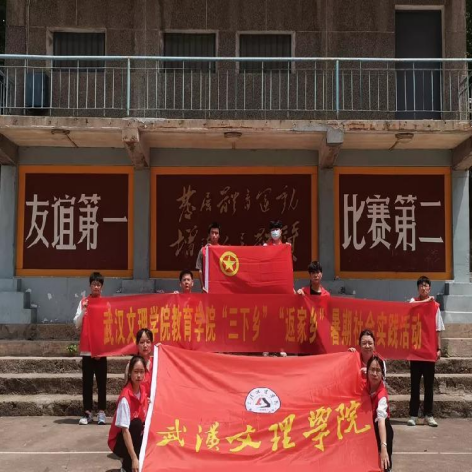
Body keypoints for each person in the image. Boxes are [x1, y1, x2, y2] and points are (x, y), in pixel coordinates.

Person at [407, 275, 445, 428]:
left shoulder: (435, 306)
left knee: (429, 386)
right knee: (414, 385)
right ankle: (413, 415)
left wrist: (438, 348)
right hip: (416, 351)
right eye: (421, 286)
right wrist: (427, 301)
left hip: (429, 351)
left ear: (430, 288)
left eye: (426, 286)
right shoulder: (413, 302)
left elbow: (438, 329)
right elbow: (411, 308)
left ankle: (429, 415)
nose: (423, 288)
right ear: (418, 288)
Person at [73, 272, 107, 426]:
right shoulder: (83, 302)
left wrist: (102, 349)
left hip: (101, 350)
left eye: (98, 284)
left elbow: (109, 325)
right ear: (90, 286)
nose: (96, 287)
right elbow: (76, 323)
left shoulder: (105, 303)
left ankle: (101, 412)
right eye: (94, 284)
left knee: (101, 383)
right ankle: (87, 413)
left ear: (102, 287)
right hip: (87, 350)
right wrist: (84, 311)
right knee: (87, 383)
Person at [108, 356, 149, 473]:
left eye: (141, 372)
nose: (139, 375)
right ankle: (127, 466)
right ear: (130, 373)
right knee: (136, 424)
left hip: (135, 435)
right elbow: (125, 431)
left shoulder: (143, 391)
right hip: (120, 441)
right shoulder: (125, 398)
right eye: (136, 372)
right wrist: (134, 458)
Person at [366, 355, 393, 472]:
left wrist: (383, 447)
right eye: (372, 370)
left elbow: (381, 421)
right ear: (367, 371)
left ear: (382, 374)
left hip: (381, 431)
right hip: (367, 429)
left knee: (383, 464)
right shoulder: (363, 386)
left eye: (378, 370)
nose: (374, 374)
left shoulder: (382, 395)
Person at [125, 329, 154, 398]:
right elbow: (127, 391)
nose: (145, 345)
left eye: (148, 342)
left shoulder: (156, 364)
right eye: (142, 342)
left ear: (152, 344)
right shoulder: (131, 365)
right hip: (138, 403)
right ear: (137, 344)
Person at [196, 222, 221, 291]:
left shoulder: (222, 251)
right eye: (212, 233)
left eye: (216, 233)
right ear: (209, 235)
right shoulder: (203, 250)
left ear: (219, 235)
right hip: (207, 286)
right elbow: (200, 270)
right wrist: (202, 286)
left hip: (219, 285)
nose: (214, 235)